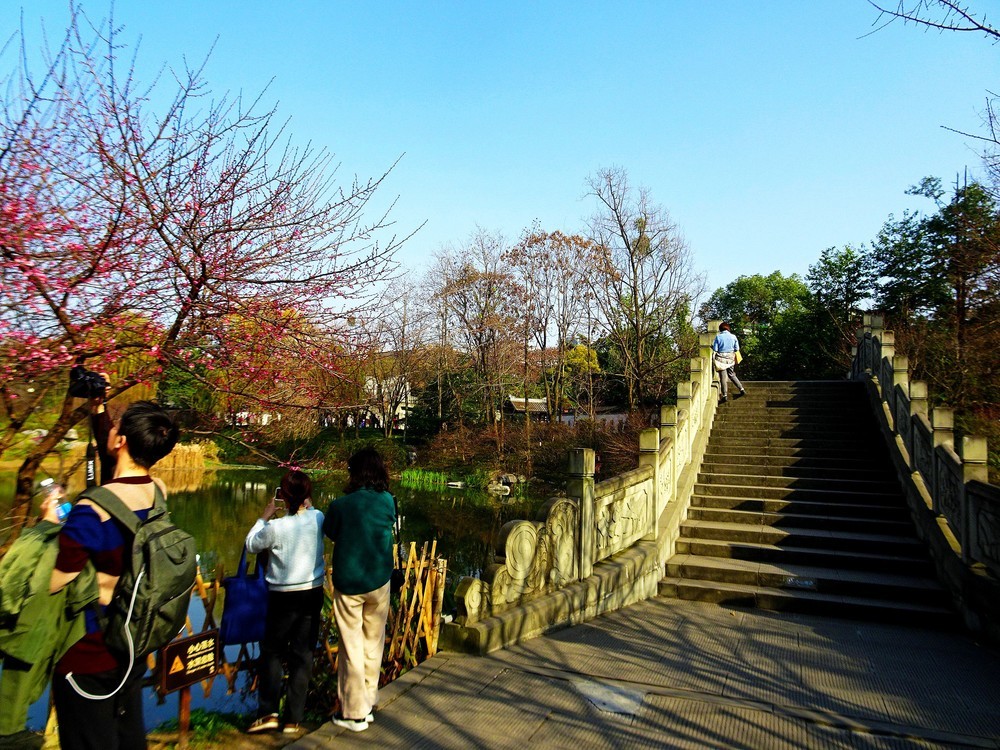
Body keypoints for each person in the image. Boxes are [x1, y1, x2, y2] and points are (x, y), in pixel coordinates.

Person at [46, 400, 179, 750]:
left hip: (89, 651)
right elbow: (121, 476)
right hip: (133, 642)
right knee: (128, 736)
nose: (113, 429)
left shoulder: (91, 508)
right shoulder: (158, 492)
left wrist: (48, 524)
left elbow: (56, 580)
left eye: (117, 426)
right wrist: (99, 408)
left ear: (121, 440)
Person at [244, 469, 325, 736]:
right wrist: (307, 504)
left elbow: (251, 544)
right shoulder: (318, 518)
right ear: (307, 495)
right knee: (303, 654)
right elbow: (313, 515)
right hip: (311, 592)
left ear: (284, 496)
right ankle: (293, 718)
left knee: (273, 652)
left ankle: (268, 713)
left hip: (282, 595)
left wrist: (263, 517)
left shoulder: (275, 528)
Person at [322, 448, 395, 734]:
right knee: (373, 642)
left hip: (350, 582)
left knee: (351, 647)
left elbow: (331, 531)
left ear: (354, 473)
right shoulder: (387, 500)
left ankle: (354, 713)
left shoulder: (340, 505)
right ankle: (369, 700)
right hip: (379, 580)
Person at [711, 322, 746, 403]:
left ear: (720, 329)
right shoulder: (733, 336)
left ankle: (725, 395)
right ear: (728, 328)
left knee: (723, 377)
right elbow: (737, 348)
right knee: (731, 374)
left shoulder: (718, 337)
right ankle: (741, 389)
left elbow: (715, 349)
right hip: (730, 359)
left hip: (721, 359)